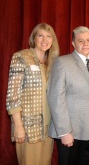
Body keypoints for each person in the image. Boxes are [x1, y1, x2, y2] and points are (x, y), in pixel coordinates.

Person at [47, 26, 89, 165]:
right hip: (71, 130)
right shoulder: (62, 62)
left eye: (88, 40)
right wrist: (64, 131)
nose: (85, 44)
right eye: (81, 41)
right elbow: (56, 98)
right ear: (73, 43)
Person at [6, 23, 59, 165]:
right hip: (28, 127)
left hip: (48, 128)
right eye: (40, 35)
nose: (44, 40)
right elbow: (12, 95)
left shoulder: (53, 63)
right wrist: (18, 126)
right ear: (33, 38)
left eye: (48, 36)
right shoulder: (21, 57)